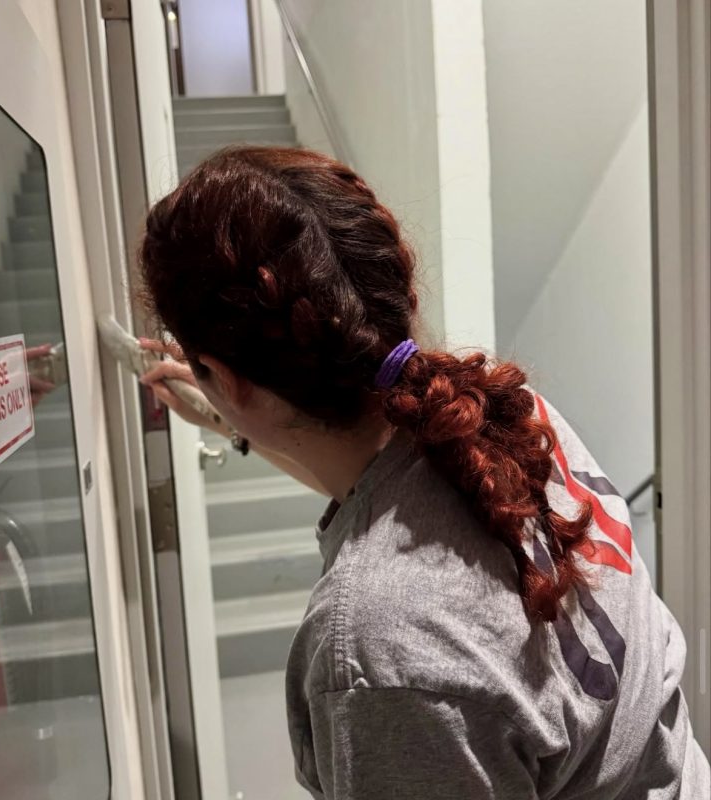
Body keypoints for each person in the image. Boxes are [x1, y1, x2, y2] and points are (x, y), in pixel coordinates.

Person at [138, 146, 710, 799]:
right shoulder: (509, 418)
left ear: (232, 381)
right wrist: (232, 418)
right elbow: (370, 486)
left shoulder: (380, 652)